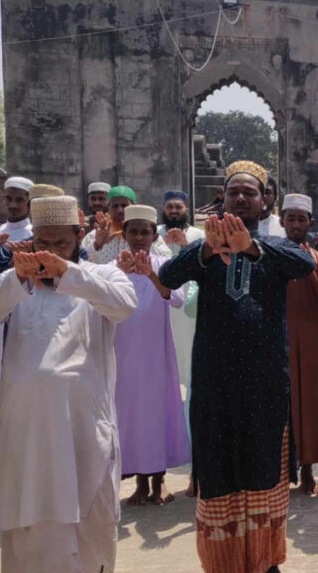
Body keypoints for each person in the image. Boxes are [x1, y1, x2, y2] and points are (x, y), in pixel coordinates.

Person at [158, 161, 315, 573]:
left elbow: (304, 265)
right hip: (215, 384)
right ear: (222, 199)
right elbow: (168, 276)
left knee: (265, 468)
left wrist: (251, 248)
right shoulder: (204, 249)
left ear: (266, 202)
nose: (241, 198)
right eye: (233, 192)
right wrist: (207, 250)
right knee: (219, 469)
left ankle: (265, 561)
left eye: (250, 192)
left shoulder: (275, 248)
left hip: (265, 383)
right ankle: (224, 563)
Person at [0, 194, 136, 573]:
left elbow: (124, 305)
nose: (51, 251)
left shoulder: (100, 276)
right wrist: (17, 279)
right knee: (30, 528)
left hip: (82, 430)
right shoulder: (16, 281)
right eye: (43, 242)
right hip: (27, 435)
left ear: (79, 236)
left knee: (88, 528)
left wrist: (68, 274)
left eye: (61, 243)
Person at [112, 204, 191, 507]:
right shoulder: (114, 267)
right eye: (133, 232)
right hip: (123, 356)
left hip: (157, 356)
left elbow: (178, 299)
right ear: (124, 235)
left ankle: (159, 482)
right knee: (131, 416)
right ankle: (140, 484)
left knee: (156, 414)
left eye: (144, 232)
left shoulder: (165, 264)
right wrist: (122, 273)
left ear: (154, 235)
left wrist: (151, 275)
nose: (138, 238)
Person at [282, 194, 318, 496]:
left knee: (311, 405)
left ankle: (307, 470)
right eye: (290, 218)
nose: (295, 224)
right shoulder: (271, 254)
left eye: (300, 219)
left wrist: (311, 265)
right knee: (283, 406)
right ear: (282, 221)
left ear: (310, 223)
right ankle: (282, 472)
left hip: (312, 343)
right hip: (280, 342)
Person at [157, 189, 206, 410]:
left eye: (178, 207)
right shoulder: (155, 233)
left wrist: (186, 246)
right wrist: (163, 244)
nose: (174, 211)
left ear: (186, 209)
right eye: (170, 207)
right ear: (164, 209)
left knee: (188, 344)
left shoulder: (198, 234)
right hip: (163, 299)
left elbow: (203, 264)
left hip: (189, 302)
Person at [0, 176, 33, 428]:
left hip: (27, 315)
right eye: (9, 199)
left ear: (29, 202)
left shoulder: (36, 235)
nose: (13, 205)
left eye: (19, 200)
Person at [83, 185, 170, 264]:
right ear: (108, 208)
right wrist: (97, 245)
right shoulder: (95, 235)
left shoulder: (148, 234)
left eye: (124, 205)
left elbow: (166, 259)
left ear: (134, 206)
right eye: (115, 206)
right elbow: (83, 263)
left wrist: (146, 243)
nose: (120, 210)